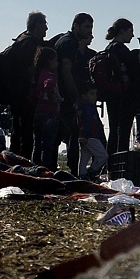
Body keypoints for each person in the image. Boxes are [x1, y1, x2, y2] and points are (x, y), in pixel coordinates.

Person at [2, 11, 49, 159]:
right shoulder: (31, 43)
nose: (46, 29)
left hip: (16, 94)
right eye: (44, 25)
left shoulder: (20, 40)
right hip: (26, 94)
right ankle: (23, 163)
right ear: (37, 25)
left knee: (18, 130)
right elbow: (30, 70)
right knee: (26, 132)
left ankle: (13, 161)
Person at [54, 13, 95, 175]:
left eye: (91, 27)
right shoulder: (69, 43)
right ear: (76, 26)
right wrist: (75, 96)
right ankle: (72, 170)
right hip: (66, 96)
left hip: (63, 96)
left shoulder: (66, 41)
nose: (89, 30)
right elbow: (66, 71)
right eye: (87, 26)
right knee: (70, 133)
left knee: (65, 134)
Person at [102, 18, 140, 156]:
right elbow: (139, 63)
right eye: (130, 32)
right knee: (123, 131)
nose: (132, 35)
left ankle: (110, 163)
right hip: (124, 96)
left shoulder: (109, 48)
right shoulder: (119, 48)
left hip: (112, 95)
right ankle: (120, 161)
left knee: (114, 129)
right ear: (122, 31)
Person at [30, 46, 61, 170]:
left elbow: (32, 95)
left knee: (37, 144)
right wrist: (52, 97)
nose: (57, 63)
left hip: (38, 112)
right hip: (50, 113)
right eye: (55, 60)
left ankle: (35, 168)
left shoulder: (36, 75)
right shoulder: (50, 75)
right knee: (48, 145)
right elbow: (49, 84)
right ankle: (46, 169)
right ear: (49, 61)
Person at [77, 83, 108, 180]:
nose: (94, 96)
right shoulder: (87, 108)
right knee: (103, 156)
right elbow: (86, 122)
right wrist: (85, 135)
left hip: (86, 136)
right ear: (84, 96)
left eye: (95, 94)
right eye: (91, 94)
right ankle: (91, 172)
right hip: (90, 136)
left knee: (84, 159)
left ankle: (82, 176)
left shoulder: (87, 108)